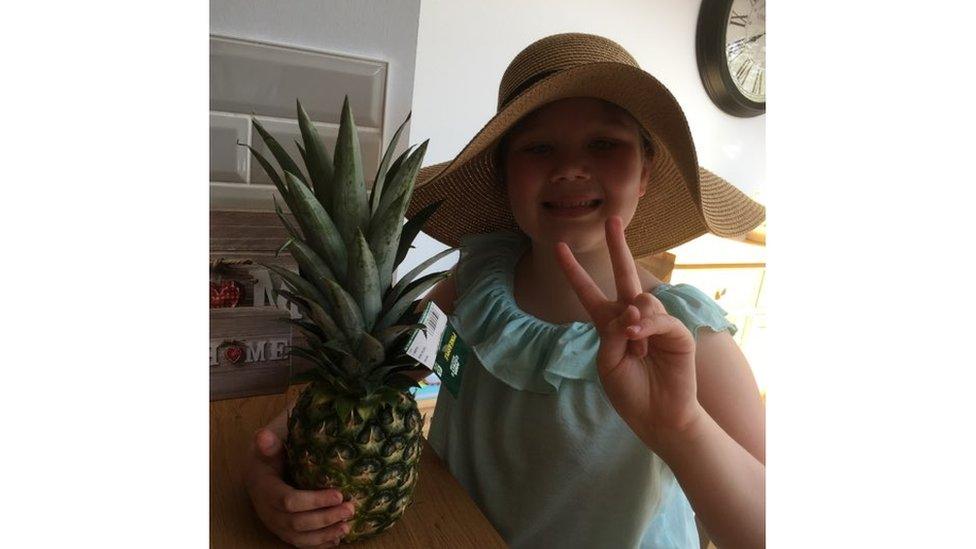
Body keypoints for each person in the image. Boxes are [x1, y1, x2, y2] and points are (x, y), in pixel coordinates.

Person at [244, 33, 766, 548]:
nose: (570, 168)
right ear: (503, 175)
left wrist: (682, 427)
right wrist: (272, 470)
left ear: (646, 171)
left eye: (605, 143)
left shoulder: (687, 336)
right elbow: (377, 375)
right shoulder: (474, 284)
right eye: (538, 147)